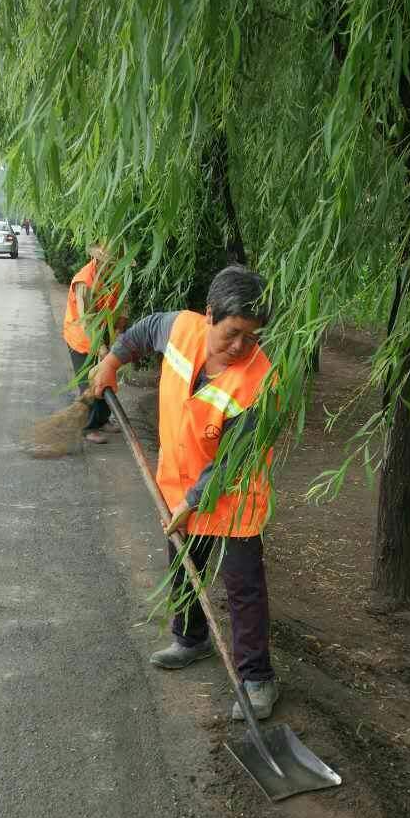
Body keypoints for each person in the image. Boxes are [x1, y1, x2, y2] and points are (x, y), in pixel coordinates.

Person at [91, 264, 279, 720]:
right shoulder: (178, 329)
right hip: (178, 480)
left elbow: (235, 460)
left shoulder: (261, 382)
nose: (239, 347)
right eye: (232, 332)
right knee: (182, 561)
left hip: (234, 493)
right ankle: (191, 639)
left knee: (242, 586)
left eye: (250, 339)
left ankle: (256, 679)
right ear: (210, 313)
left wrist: (194, 500)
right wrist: (111, 361)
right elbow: (140, 332)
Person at [63, 244, 124, 444]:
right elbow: (87, 320)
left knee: (107, 376)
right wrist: (101, 348)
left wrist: (118, 333)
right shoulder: (85, 281)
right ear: (98, 261)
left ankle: (102, 419)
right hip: (81, 336)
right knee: (89, 382)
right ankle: (87, 427)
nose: (114, 268)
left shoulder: (116, 276)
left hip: (105, 331)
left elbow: (122, 305)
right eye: (111, 264)